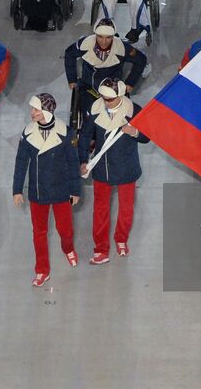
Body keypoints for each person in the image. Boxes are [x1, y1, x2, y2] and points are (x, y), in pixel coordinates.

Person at [12, 94, 82, 286]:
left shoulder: (67, 133)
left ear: (46, 111)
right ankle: (42, 270)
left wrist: (75, 190)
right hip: (38, 191)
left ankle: (68, 249)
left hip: (62, 191)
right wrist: (17, 190)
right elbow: (21, 163)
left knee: (65, 230)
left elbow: (73, 162)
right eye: (32, 109)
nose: (32, 113)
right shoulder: (27, 134)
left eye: (35, 109)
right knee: (39, 232)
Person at [78, 78, 150, 264]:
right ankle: (100, 249)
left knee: (126, 209)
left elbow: (146, 137)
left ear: (120, 95)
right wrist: (83, 160)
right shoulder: (94, 109)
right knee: (100, 209)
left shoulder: (134, 110)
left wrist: (133, 132)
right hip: (102, 167)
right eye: (103, 97)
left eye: (109, 99)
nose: (105, 102)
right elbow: (85, 136)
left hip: (127, 166)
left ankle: (121, 240)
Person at [64, 18, 148, 95]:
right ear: (95, 34)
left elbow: (141, 60)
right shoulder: (84, 44)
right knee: (88, 111)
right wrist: (72, 79)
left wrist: (130, 82)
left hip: (113, 89)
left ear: (113, 36)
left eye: (108, 37)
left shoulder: (122, 48)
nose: (104, 42)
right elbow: (69, 54)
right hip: (89, 88)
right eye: (100, 36)